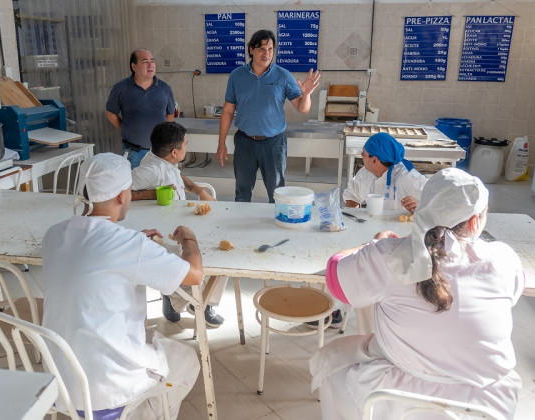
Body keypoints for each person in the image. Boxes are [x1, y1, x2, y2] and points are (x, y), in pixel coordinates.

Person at [310, 168, 524, 420]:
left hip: (395, 401)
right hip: (486, 406)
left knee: (333, 366)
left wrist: (372, 246)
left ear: (424, 210)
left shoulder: (389, 255)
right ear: (475, 222)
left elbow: (336, 281)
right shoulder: (503, 259)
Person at [42, 153, 200, 419]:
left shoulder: (54, 234)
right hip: (107, 391)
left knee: (150, 343)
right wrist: (189, 239)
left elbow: (93, 249)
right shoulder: (129, 245)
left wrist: (135, 242)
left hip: (60, 385)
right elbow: (194, 275)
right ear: (121, 196)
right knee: (187, 358)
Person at [131, 121, 225, 328]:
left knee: (220, 252)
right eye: (185, 144)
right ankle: (181, 298)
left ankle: (190, 300)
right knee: (207, 258)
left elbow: (176, 174)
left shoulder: (161, 159)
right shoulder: (150, 170)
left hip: (180, 220)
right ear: (175, 152)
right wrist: (153, 194)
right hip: (166, 231)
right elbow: (122, 192)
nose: (186, 147)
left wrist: (199, 190)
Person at [216, 29, 321, 202]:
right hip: (244, 142)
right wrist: (221, 143)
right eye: (261, 49)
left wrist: (307, 94)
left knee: (277, 193)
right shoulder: (237, 76)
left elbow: (302, 108)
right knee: (242, 191)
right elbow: (227, 111)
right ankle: (239, 225)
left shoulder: (283, 75)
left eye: (270, 49)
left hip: (273, 144)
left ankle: (278, 226)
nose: (267, 53)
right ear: (251, 50)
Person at [106, 48, 175, 169]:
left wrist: (164, 136)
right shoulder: (120, 88)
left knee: (161, 185)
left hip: (160, 151)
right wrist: (124, 129)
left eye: (152, 61)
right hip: (133, 151)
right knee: (135, 186)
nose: (150, 65)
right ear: (134, 66)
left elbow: (170, 115)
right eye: (145, 61)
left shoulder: (164, 88)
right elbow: (111, 113)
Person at [343, 132, 428, 214]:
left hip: (399, 227)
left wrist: (419, 207)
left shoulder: (409, 178)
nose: (361, 155)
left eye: (363, 154)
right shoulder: (366, 173)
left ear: (374, 160)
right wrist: (353, 217)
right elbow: (352, 195)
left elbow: (438, 203)